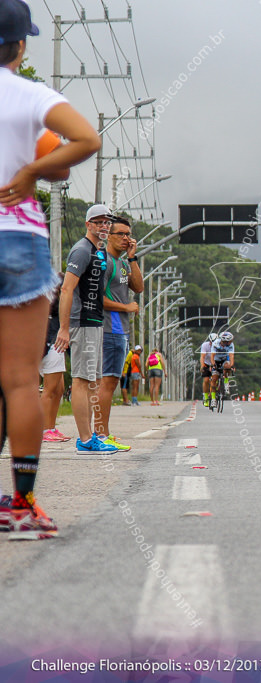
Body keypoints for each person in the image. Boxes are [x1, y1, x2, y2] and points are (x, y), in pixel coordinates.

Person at [0, 0, 101, 538]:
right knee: (19, 381)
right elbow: (87, 141)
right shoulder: (26, 93)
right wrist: (34, 169)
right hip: (16, 236)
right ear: (20, 46)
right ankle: (20, 504)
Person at [56, 204, 119, 454]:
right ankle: (84, 439)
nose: (104, 226)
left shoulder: (98, 252)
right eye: (99, 221)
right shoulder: (81, 251)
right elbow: (66, 289)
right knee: (82, 380)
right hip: (80, 322)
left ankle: (94, 435)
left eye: (107, 222)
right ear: (88, 224)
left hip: (95, 321)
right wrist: (64, 328)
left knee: (95, 380)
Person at [97, 215, 142, 450]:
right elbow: (97, 298)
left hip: (121, 329)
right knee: (107, 382)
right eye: (121, 234)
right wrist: (126, 307)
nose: (126, 238)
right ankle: (100, 435)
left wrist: (132, 257)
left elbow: (139, 287)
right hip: (109, 328)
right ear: (109, 236)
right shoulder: (104, 261)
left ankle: (103, 433)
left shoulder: (123, 263)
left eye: (128, 234)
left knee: (111, 382)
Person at [40, 276, 69, 442]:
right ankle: (45, 429)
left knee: (59, 389)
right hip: (52, 344)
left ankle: (50, 427)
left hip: (52, 346)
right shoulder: (54, 302)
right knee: (50, 391)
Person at [210, 331, 235, 397]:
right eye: (230, 341)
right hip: (216, 360)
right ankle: (213, 399)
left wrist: (232, 365)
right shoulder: (216, 343)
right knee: (214, 379)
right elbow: (212, 356)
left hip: (224, 359)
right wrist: (213, 365)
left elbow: (231, 356)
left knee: (228, 366)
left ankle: (226, 382)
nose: (231, 342)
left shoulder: (231, 345)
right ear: (224, 341)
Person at [199, 332, 217, 407]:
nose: (212, 344)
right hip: (206, 363)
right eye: (211, 342)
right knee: (206, 380)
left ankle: (213, 398)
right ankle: (205, 397)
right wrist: (202, 366)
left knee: (215, 380)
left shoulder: (218, 346)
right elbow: (202, 357)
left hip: (215, 363)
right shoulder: (205, 345)